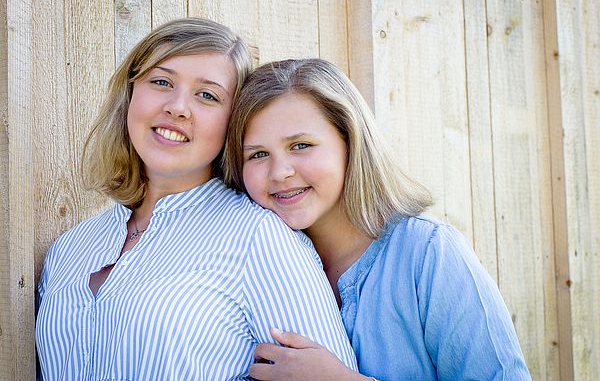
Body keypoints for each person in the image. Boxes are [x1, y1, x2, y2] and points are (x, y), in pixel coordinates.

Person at [35, 19, 357, 380]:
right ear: (130, 94)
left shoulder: (259, 237)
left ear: (233, 122)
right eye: (161, 82)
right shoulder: (70, 248)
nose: (177, 107)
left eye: (207, 95)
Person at [223, 58, 532, 380]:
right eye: (257, 154)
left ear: (350, 142)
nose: (280, 172)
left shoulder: (428, 252)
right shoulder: (255, 263)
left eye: (301, 145)